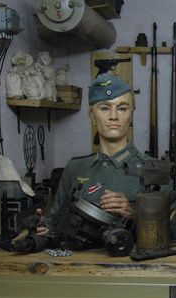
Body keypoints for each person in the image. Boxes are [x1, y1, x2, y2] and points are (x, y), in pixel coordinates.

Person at [38, 73, 150, 234]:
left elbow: (172, 233)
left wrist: (134, 215)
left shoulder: (152, 169)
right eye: (104, 108)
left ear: (131, 115)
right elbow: (54, 225)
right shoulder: (75, 168)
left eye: (122, 108)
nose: (113, 116)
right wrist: (42, 228)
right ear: (92, 116)